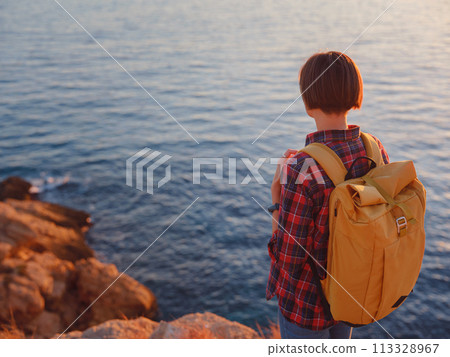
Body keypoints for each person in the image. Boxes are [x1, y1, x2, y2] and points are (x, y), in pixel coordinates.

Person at [266, 51, 390, 339]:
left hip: (308, 306)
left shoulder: (302, 168)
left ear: (308, 102)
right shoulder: (373, 149)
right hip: (351, 291)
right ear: (354, 94)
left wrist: (276, 197)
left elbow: (289, 257)